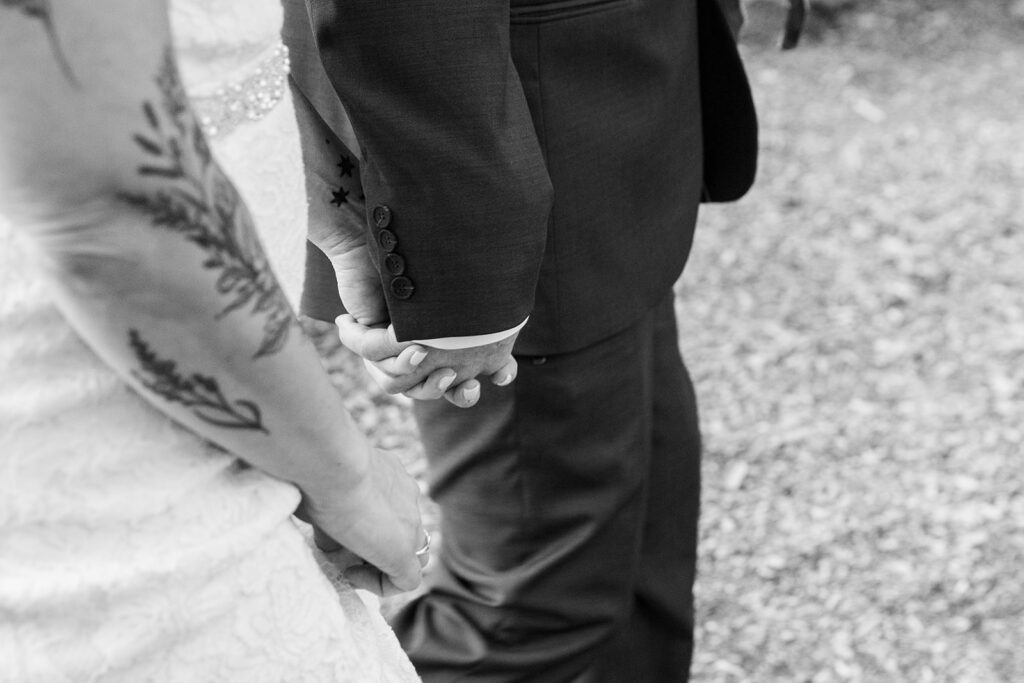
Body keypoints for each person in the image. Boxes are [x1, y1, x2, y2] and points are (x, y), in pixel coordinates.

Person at [287, 0, 758, 680]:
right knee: (532, 606)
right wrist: (463, 283)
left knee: (641, 558)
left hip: (613, 118)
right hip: (513, 153)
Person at [0, 1, 428, 680]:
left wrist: (342, 218)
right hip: (101, 423)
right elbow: (110, 199)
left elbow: (197, 69)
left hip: (206, 380)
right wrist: (348, 479)